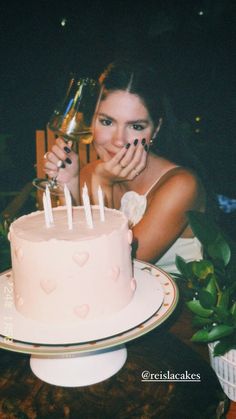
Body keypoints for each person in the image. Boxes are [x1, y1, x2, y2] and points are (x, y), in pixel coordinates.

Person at [44, 59, 207, 273]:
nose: (119, 140)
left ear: (155, 130)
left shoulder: (182, 186)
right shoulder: (89, 172)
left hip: (176, 303)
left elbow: (113, 267)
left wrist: (103, 183)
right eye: (107, 122)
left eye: (136, 126)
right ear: (91, 120)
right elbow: (70, 252)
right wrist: (68, 186)